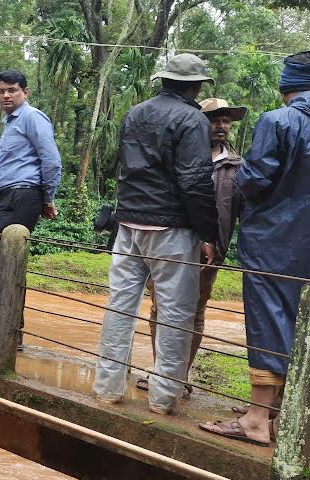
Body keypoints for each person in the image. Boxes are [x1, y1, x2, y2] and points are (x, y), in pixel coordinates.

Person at [90, 54, 217, 415]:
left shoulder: (135, 113)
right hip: (171, 229)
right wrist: (208, 232)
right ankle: (163, 400)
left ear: (164, 81)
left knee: (120, 306)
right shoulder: (192, 119)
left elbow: (125, 167)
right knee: (176, 314)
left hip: (128, 225)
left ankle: (107, 387)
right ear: (195, 86)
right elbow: (194, 181)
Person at [200, 52, 310, 445]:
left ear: (286, 85)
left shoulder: (279, 121)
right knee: (301, 324)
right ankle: (282, 415)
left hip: (274, 241)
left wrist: (242, 176)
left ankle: (257, 419)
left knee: (268, 319)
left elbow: (257, 178)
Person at [138, 97, 246, 394]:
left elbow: (244, 211)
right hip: (169, 244)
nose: (221, 125)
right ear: (200, 123)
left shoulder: (237, 168)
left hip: (210, 253)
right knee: (160, 309)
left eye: (225, 120)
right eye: (214, 119)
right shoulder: (178, 156)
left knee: (195, 312)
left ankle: (180, 377)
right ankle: (162, 371)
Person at [0, 70, 61, 351]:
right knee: (2, 262)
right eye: (2, 91)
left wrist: (47, 198)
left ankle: (1, 333)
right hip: (11, 196)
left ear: (25, 92)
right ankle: (3, 331)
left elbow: (51, 159)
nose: (6, 95)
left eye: (13, 90)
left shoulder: (32, 118)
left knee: (4, 262)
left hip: (23, 196)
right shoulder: (12, 122)